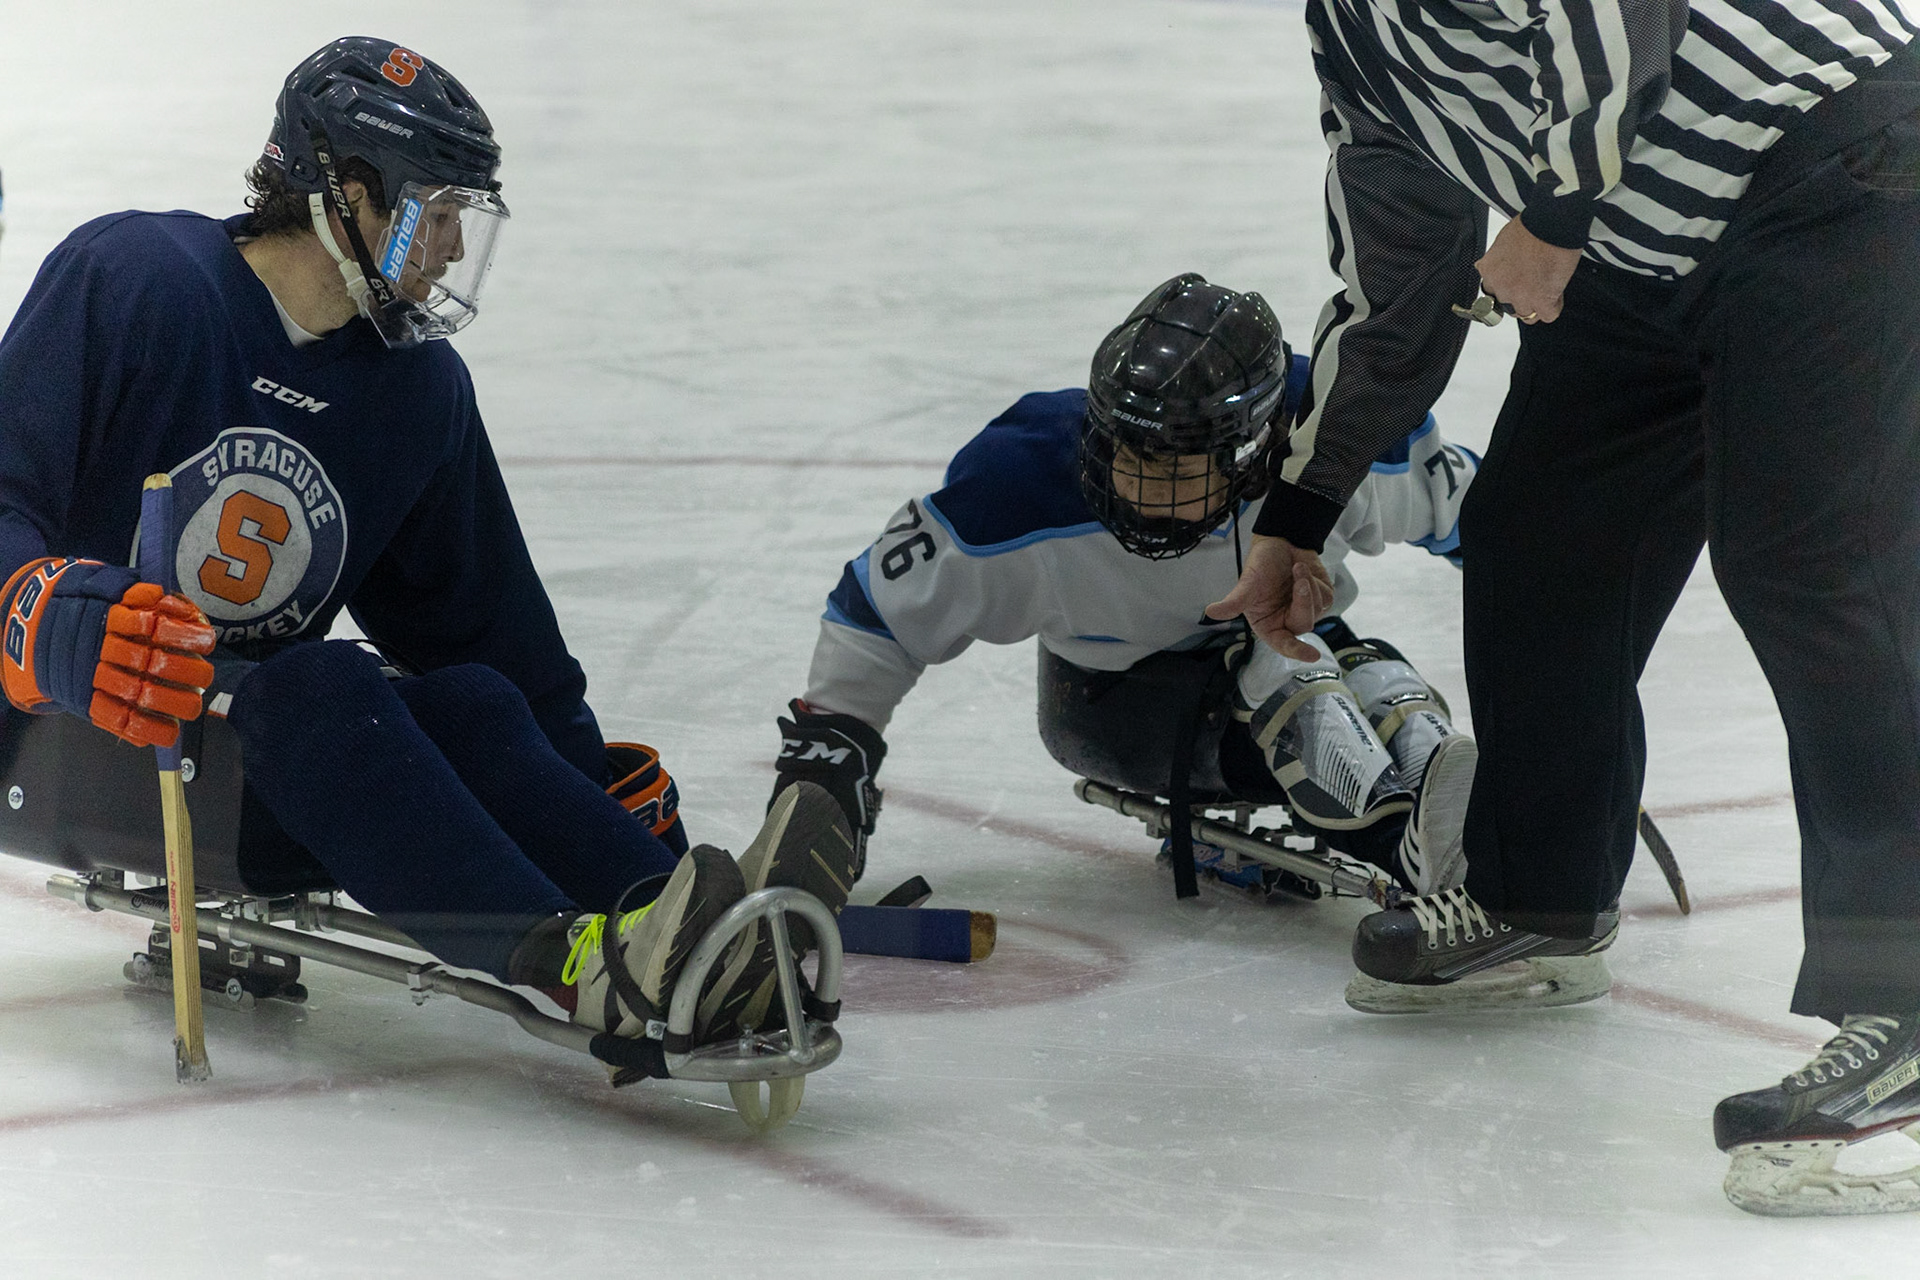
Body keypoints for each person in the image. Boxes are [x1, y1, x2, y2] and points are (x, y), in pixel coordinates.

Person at [0, 37, 854, 1079]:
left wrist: (586, 792)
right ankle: (583, 964)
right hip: (74, 740)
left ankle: (684, 932)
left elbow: (493, 631)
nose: (452, 249)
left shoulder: (416, 389)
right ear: (347, 193)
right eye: (438, 213)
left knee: (474, 701)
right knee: (322, 681)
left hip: (253, 766)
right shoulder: (135, 279)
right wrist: (44, 613)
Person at [1203, 0, 1920, 1214]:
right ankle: (1540, 891)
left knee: (1813, 568)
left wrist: (1552, 216)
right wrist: (1302, 503)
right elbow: (1403, 282)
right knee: (1539, 536)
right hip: (1644, 254)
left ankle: (1907, 1018)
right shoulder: (1359, 48)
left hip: (1843, 168)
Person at [770, 273, 1480, 903]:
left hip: (1297, 646)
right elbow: (878, 611)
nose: (1140, 489)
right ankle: (1410, 850)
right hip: (1110, 703)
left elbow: (1484, 518)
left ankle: (1470, 821)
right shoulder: (1022, 480)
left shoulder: (1337, 432)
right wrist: (829, 761)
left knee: (1386, 690)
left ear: (1252, 450)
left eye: (1177, 468)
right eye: (1130, 453)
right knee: (1300, 684)